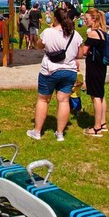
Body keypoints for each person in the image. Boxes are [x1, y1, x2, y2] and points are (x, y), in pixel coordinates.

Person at [27, 8, 83, 142]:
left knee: (43, 100)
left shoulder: (48, 32)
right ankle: (60, 133)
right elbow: (80, 54)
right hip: (69, 70)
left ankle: (37, 131)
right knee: (63, 101)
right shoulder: (75, 34)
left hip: (50, 70)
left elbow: (39, 46)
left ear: (55, 18)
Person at [82, 8, 109, 137]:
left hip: (93, 67)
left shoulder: (93, 34)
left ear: (94, 19)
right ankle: (103, 123)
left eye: (86, 19)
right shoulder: (103, 32)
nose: (85, 21)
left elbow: (84, 51)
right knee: (101, 94)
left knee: (95, 97)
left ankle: (96, 128)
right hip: (101, 66)